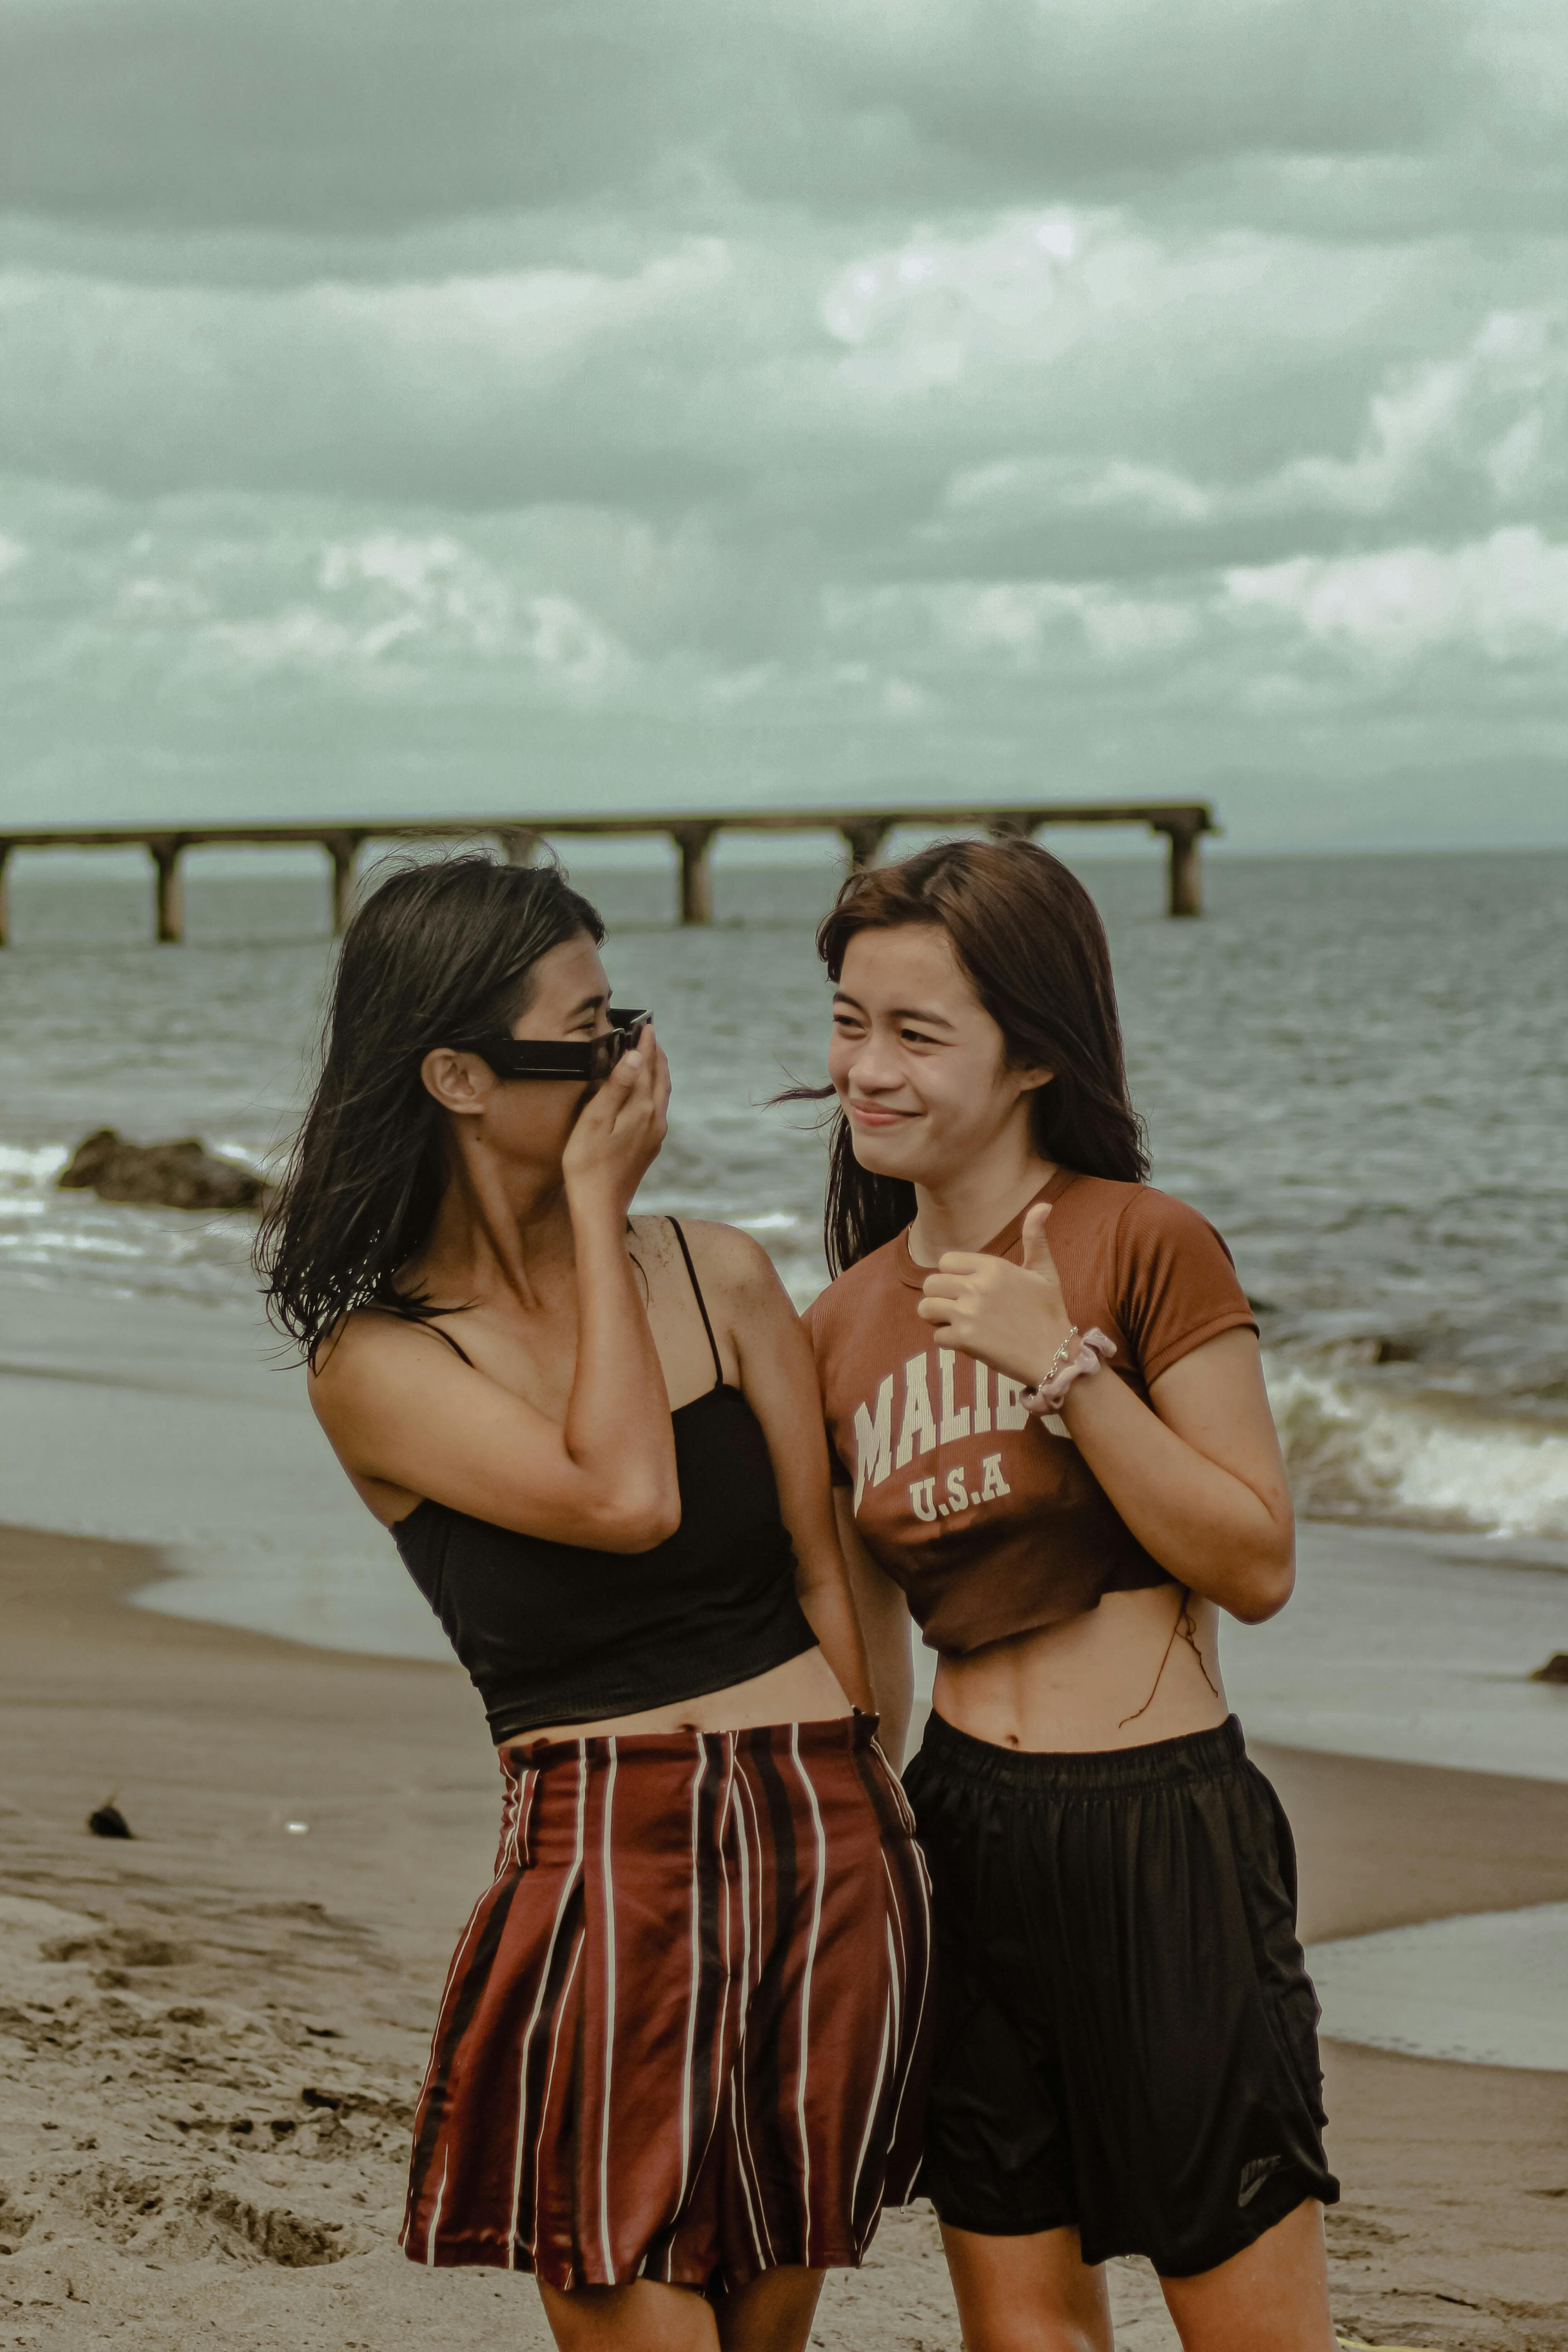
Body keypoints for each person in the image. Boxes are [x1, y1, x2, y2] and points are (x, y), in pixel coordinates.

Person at [256, 853, 931, 2352]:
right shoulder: (376, 1359)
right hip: (602, 1862)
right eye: (591, 1033)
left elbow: (827, 1574)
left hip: (823, 1841)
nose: (634, 1062)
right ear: (457, 1075)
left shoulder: (723, 1275)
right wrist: (589, 1204)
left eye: (628, 1019)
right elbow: (624, 1499)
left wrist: (877, 1805)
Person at [799, 838, 1339, 2352]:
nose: (867, 1070)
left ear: (1033, 1050)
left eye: (916, 1034)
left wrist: (1063, 1370)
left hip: (1162, 1827)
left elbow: (1255, 1561)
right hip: (962, 1832)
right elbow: (864, 1664)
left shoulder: (1142, 1244)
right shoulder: (835, 1326)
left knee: (1247, 2327)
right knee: (1025, 2331)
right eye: (851, 1022)